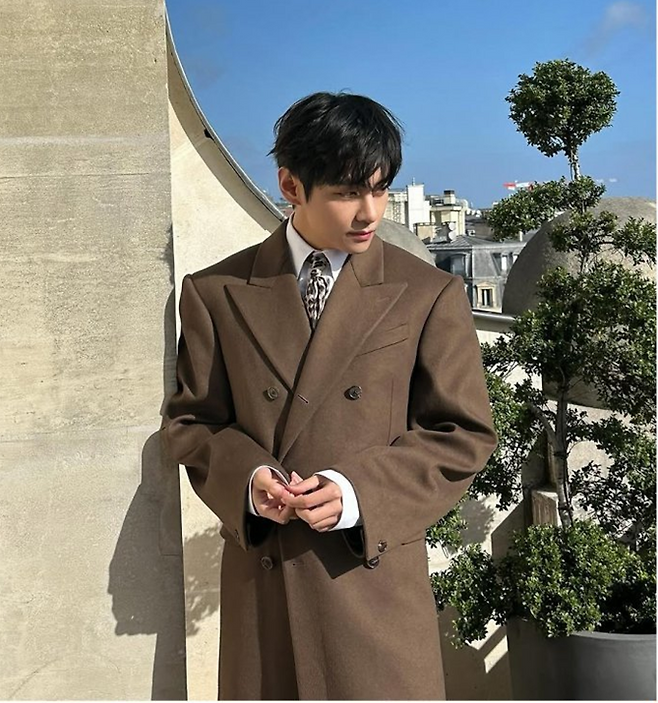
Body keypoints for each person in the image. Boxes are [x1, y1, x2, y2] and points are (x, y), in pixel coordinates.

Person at [162, 92, 497, 700]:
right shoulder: (215, 292)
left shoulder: (427, 293)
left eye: (381, 189)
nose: (370, 212)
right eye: (347, 193)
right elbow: (193, 423)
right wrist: (249, 480)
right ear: (291, 185)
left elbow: (462, 434)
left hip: (371, 585)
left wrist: (357, 492)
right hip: (265, 594)